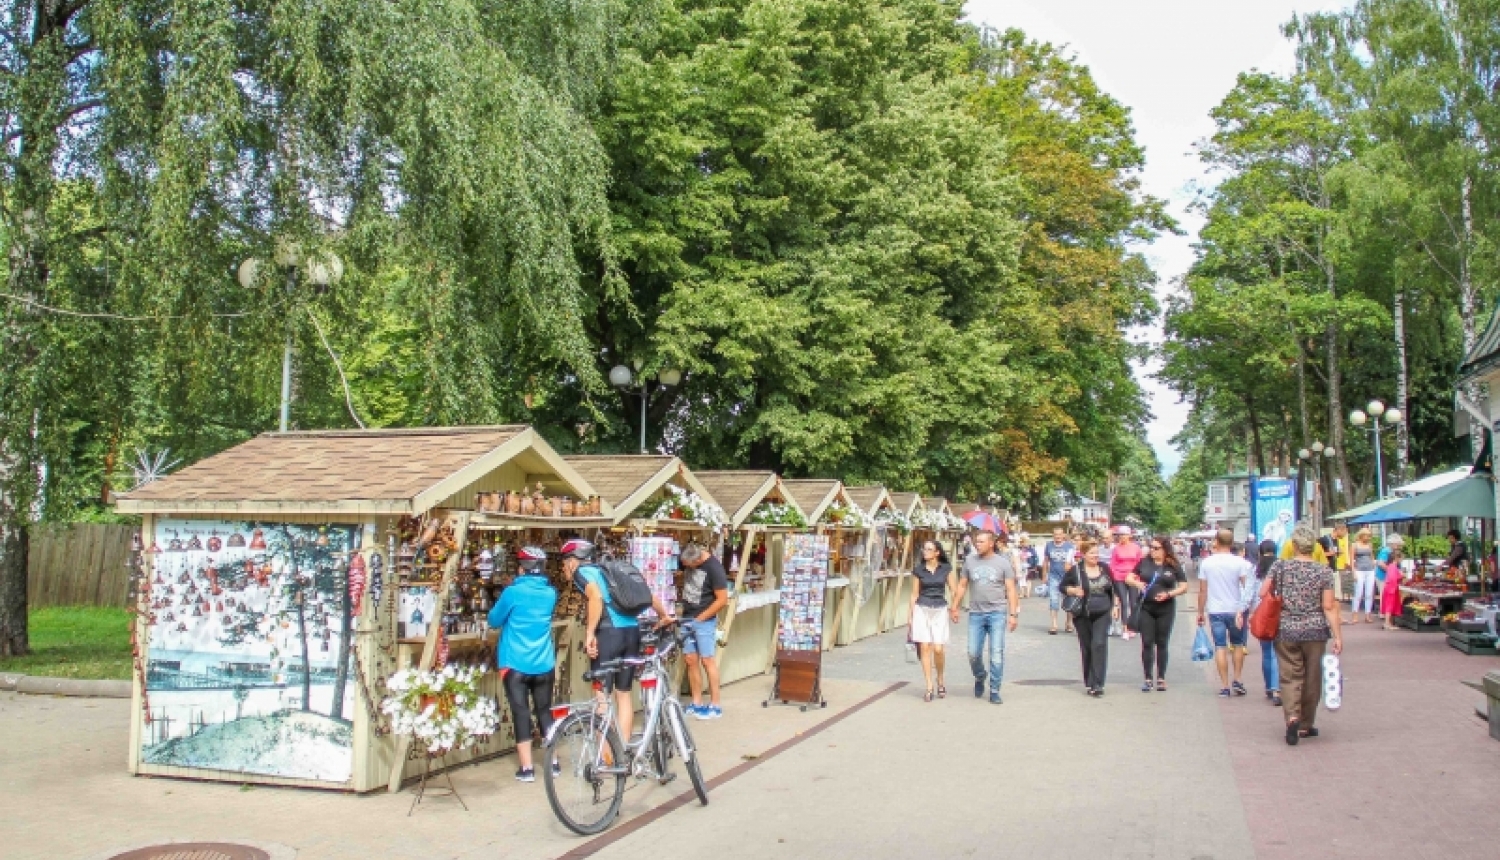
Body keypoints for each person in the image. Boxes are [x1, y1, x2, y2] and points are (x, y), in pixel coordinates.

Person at [565, 539, 674, 749]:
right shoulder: (610, 571)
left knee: (601, 695)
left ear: (572, 561)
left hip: (608, 634)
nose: (564, 569)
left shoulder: (583, 573)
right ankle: (623, 750)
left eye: (563, 564)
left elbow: (595, 598)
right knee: (623, 694)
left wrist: (589, 634)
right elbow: (648, 596)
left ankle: (607, 756)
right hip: (631, 633)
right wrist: (664, 616)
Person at [1260, 523, 1343, 745]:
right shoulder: (1324, 571)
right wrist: (1337, 636)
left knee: (1289, 677)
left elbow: (1262, 592)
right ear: (1313, 547)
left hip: (1285, 628)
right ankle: (1306, 724)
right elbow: (1328, 605)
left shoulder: (1280, 566)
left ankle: (1292, 717)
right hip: (1315, 630)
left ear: (1294, 545)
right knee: (1312, 677)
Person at [488, 546, 559, 782]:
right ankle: (554, 763)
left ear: (521, 568)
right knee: (544, 710)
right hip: (544, 662)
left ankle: (527, 768)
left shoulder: (512, 593)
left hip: (515, 662)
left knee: (521, 712)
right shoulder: (550, 593)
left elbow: (494, 620)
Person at [950, 529, 1019, 704]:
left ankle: (995, 689)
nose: (977, 544)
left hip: (997, 612)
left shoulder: (1003, 563)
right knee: (973, 652)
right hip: (976, 613)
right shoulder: (969, 561)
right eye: (976, 541)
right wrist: (955, 607)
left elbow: (1011, 589)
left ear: (991, 543)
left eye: (981, 541)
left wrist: (1013, 614)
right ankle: (980, 675)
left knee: (996, 652)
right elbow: (962, 585)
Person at [1125, 536, 1189, 692]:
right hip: (1147, 607)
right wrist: (1137, 583)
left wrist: (1169, 594)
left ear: (1165, 549)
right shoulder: (1144, 562)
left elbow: (1184, 586)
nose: (1152, 550)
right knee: (1147, 642)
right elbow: (1128, 578)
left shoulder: (1172, 565)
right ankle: (1147, 678)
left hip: (1166, 608)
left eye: (1156, 548)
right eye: (1151, 547)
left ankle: (1161, 677)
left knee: (1162, 642)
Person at [1196, 528, 1251, 698]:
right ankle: (1238, 679)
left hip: (1215, 610)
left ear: (1216, 542)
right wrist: (1245, 607)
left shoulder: (1206, 563)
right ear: (1232, 543)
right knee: (1238, 645)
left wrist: (1200, 611)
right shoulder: (1240, 563)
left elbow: (1203, 590)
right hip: (1236, 610)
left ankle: (1225, 686)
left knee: (1220, 646)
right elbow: (1246, 587)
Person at [679, 543, 730, 720]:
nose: (686, 567)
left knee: (708, 660)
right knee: (690, 659)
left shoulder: (714, 568)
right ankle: (696, 701)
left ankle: (715, 704)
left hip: (704, 621)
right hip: (686, 618)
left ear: (698, 559)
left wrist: (702, 617)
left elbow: (722, 599)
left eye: (689, 565)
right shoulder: (691, 560)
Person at [1061, 540, 1117, 696]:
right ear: (1084, 554)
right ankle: (1090, 681)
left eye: (1097, 552)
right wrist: (1072, 590)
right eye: (1092, 553)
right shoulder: (1076, 570)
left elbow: (1113, 588)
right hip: (1083, 613)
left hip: (1103, 611)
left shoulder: (1104, 568)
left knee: (1099, 644)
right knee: (1087, 647)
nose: (1096, 555)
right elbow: (1062, 586)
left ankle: (1098, 683)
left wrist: (1116, 607)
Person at [908, 539, 956, 701]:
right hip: (922, 608)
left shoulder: (946, 569)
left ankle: (940, 678)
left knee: (938, 648)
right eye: (924, 549)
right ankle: (929, 685)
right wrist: (911, 615)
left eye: (929, 549)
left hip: (940, 608)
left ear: (937, 552)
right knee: (925, 646)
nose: (925, 551)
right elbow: (914, 594)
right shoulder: (919, 570)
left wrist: (954, 608)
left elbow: (954, 589)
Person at [1249, 540, 1281, 706]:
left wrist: (1247, 612)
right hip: (1278, 611)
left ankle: (1269, 686)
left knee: (1266, 651)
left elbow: (1251, 592)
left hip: (1261, 612)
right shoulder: (1281, 566)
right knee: (1277, 651)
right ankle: (1277, 688)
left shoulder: (1256, 569)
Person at [1109, 526, 1144, 641]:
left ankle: (1132, 627)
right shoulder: (1116, 549)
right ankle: (1124, 629)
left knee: (1133, 603)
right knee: (1124, 602)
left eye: (1124, 535)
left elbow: (1140, 563)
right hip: (1119, 577)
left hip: (1133, 577)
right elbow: (1112, 564)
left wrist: (1139, 578)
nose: (1121, 537)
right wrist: (1113, 577)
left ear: (1129, 535)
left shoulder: (1136, 548)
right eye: (1119, 535)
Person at [1042, 527, 1077, 635]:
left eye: (1060, 534)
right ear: (1053, 535)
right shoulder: (1049, 545)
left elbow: (1073, 561)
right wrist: (1044, 575)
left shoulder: (1069, 546)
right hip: (1053, 576)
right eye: (1055, 534)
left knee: (1069, 600)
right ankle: (1054, 624)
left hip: (1067, 577)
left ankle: (1069, 622)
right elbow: (1046, 561)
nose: (1057, 536)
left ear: (1063, 535)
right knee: (1053, 600)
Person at [1349, 528, 1378, 624]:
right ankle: (1354, 615)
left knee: (1369, 593)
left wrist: (1374, 565)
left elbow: (1372, 557)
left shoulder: (1369, 545)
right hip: (1359, 570)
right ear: (1362, 535)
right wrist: (1353, 572)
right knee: (1358, 593)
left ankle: (1367, 614)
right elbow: (1352, 560)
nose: (1369, 538)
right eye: (1367, 535)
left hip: (1370, 570)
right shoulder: (1354, 545)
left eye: (1370, 536)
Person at [1380, 534, 1407, 630]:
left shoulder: (1391, 566)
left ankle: (1389, 622)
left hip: (1390, 588)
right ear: (1397, 558)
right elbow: (1392, 578)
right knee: (1389, 606)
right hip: (1391, 589)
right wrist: (1401, 576)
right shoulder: (1393, 567)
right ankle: (1387, 623)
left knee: (1389, 605)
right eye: (1401, 559)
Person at [1016, 534, 1040, 600]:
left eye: (1024, 542)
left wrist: (1035, 566)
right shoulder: (1018, 549)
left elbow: (1036, 558)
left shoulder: (1031, 549)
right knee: (1021, 580)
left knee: (1028, 580)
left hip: (1029, 566)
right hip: (1020, 567)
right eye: (1021, 542)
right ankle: (1022, 593)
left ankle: (1027, 593)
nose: (1023, 543)